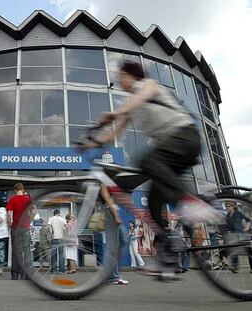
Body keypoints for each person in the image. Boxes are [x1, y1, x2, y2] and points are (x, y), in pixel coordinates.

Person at [80, 61, 220, 278]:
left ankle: (194, 202)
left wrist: (112, 114)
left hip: (185, 137)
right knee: (154, 203)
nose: (119, 81)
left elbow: (137, 100)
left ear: (129, 75)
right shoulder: (131, 105)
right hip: (173, 149)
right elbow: (115, 132)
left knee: (146, 161)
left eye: (121, 77)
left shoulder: (148, 85)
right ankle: (168, 256)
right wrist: (95, 143)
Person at [6, 183, 33, 280]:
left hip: (15, 228)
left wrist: (9, 224)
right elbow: (33, 212)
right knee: (27, 251)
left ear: (15, 190)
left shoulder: (13, 199)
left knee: (16, 252)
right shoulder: (28, 200)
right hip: (25, 227)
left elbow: (9, 213)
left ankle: (15, 275)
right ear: (23, 189)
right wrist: (28, 222)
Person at [225, 202, 250, 273]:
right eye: (226, 206)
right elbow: (228, 227)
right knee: (233, 250)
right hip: (233, 234)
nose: (227, 207)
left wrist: (247, 227)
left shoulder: (238, 213)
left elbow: (248, 220)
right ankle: (235, 267)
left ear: (233, 206)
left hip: (241, 233)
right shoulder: (227, 216)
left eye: (229, 206)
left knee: (247, 250)